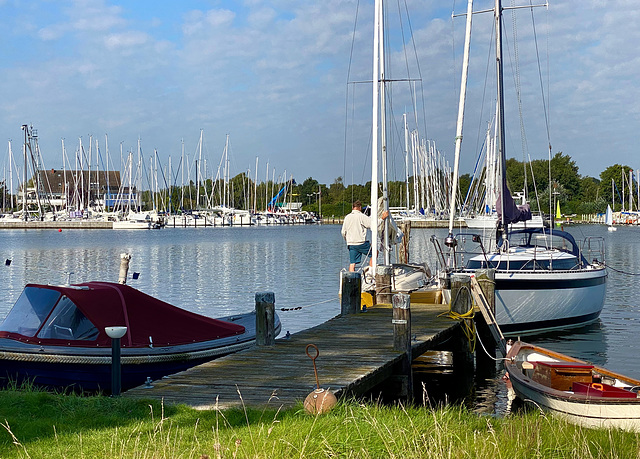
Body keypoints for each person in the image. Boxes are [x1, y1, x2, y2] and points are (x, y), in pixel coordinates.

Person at [341, 200, 389, 272]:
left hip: (351, 243)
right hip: (361, 243)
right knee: (374, 253)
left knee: (352, 263)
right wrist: (382, 218)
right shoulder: (362, 216)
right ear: (360, 207)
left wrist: (347, 240)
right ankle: (371, 272)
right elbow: (373, 225)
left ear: (352, 207)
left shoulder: (347, 217)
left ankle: (351, 280)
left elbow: (343, 232)